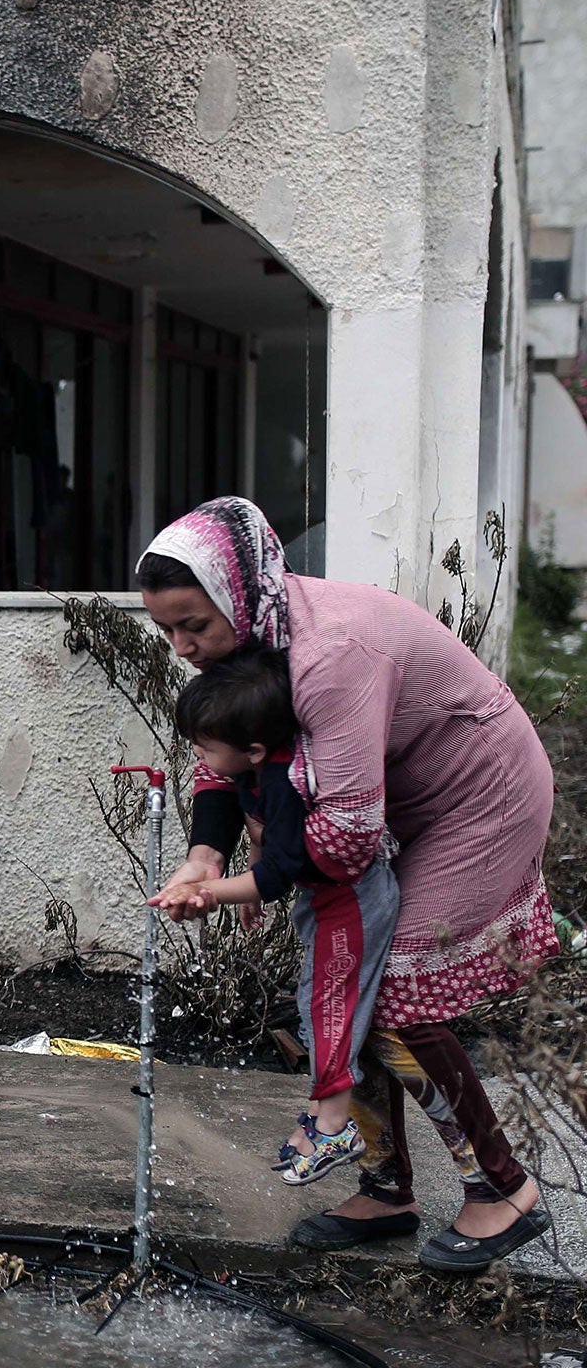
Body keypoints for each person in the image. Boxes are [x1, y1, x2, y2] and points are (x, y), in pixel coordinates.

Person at [139, 496, 557, 1271]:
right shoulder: (254, 635)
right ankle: (388, 1186)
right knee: (353, 988)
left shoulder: (330, 658)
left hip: (480, 797)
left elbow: (346, 838)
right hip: (404, 801)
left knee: (393, 992)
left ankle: (503, 1189)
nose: (181, 646)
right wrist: (204, 857)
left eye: (192, 624)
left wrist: (243, 884)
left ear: (236, 593)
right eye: (166, 629)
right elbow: (224, 762)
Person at [156, 649, 398, 1186]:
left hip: (351, 902)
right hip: (327, 900)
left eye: (204, 747)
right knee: (317, 1004)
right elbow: (265, 845)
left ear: (254, 748)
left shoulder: (287, 779)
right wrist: (243, 878)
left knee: (331, 1007)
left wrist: (216, 890)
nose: (198, 755)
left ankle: (337, 1127)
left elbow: (283, 870)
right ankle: (323, 1113)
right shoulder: (254, 769)